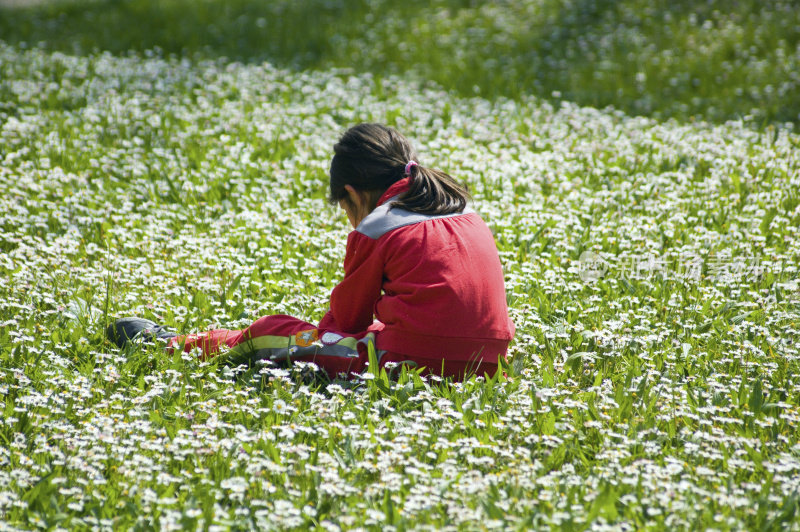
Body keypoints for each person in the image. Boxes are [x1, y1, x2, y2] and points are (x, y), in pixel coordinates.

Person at [108, 123, 515, 381]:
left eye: (343, 208)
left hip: (411, 364)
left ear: (352, 194)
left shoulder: (378, 227)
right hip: (488, 365)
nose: (348, 218)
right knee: (370, 335)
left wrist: (324, 334)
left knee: (275, 331)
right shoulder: (464, 211)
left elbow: (350, 319)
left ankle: (172, 344)